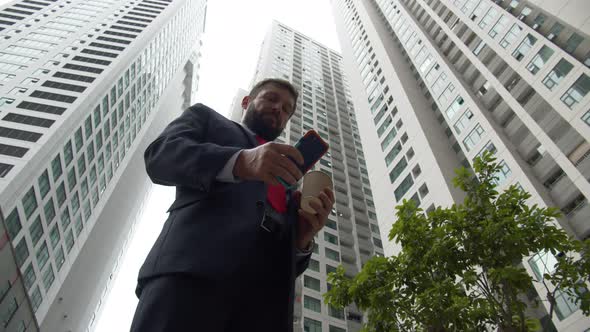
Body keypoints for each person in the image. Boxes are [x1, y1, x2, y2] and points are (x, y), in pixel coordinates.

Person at [130, 78, 335, 332]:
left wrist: (301, 240)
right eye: (271, 99)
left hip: (262, 310)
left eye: (286, 109)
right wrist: (241, 162)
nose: (278, 110)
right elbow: (160, 155)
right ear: (247, 102)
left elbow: (288, 265)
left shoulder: (289, 182)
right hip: (189, 280)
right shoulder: (206, 118)